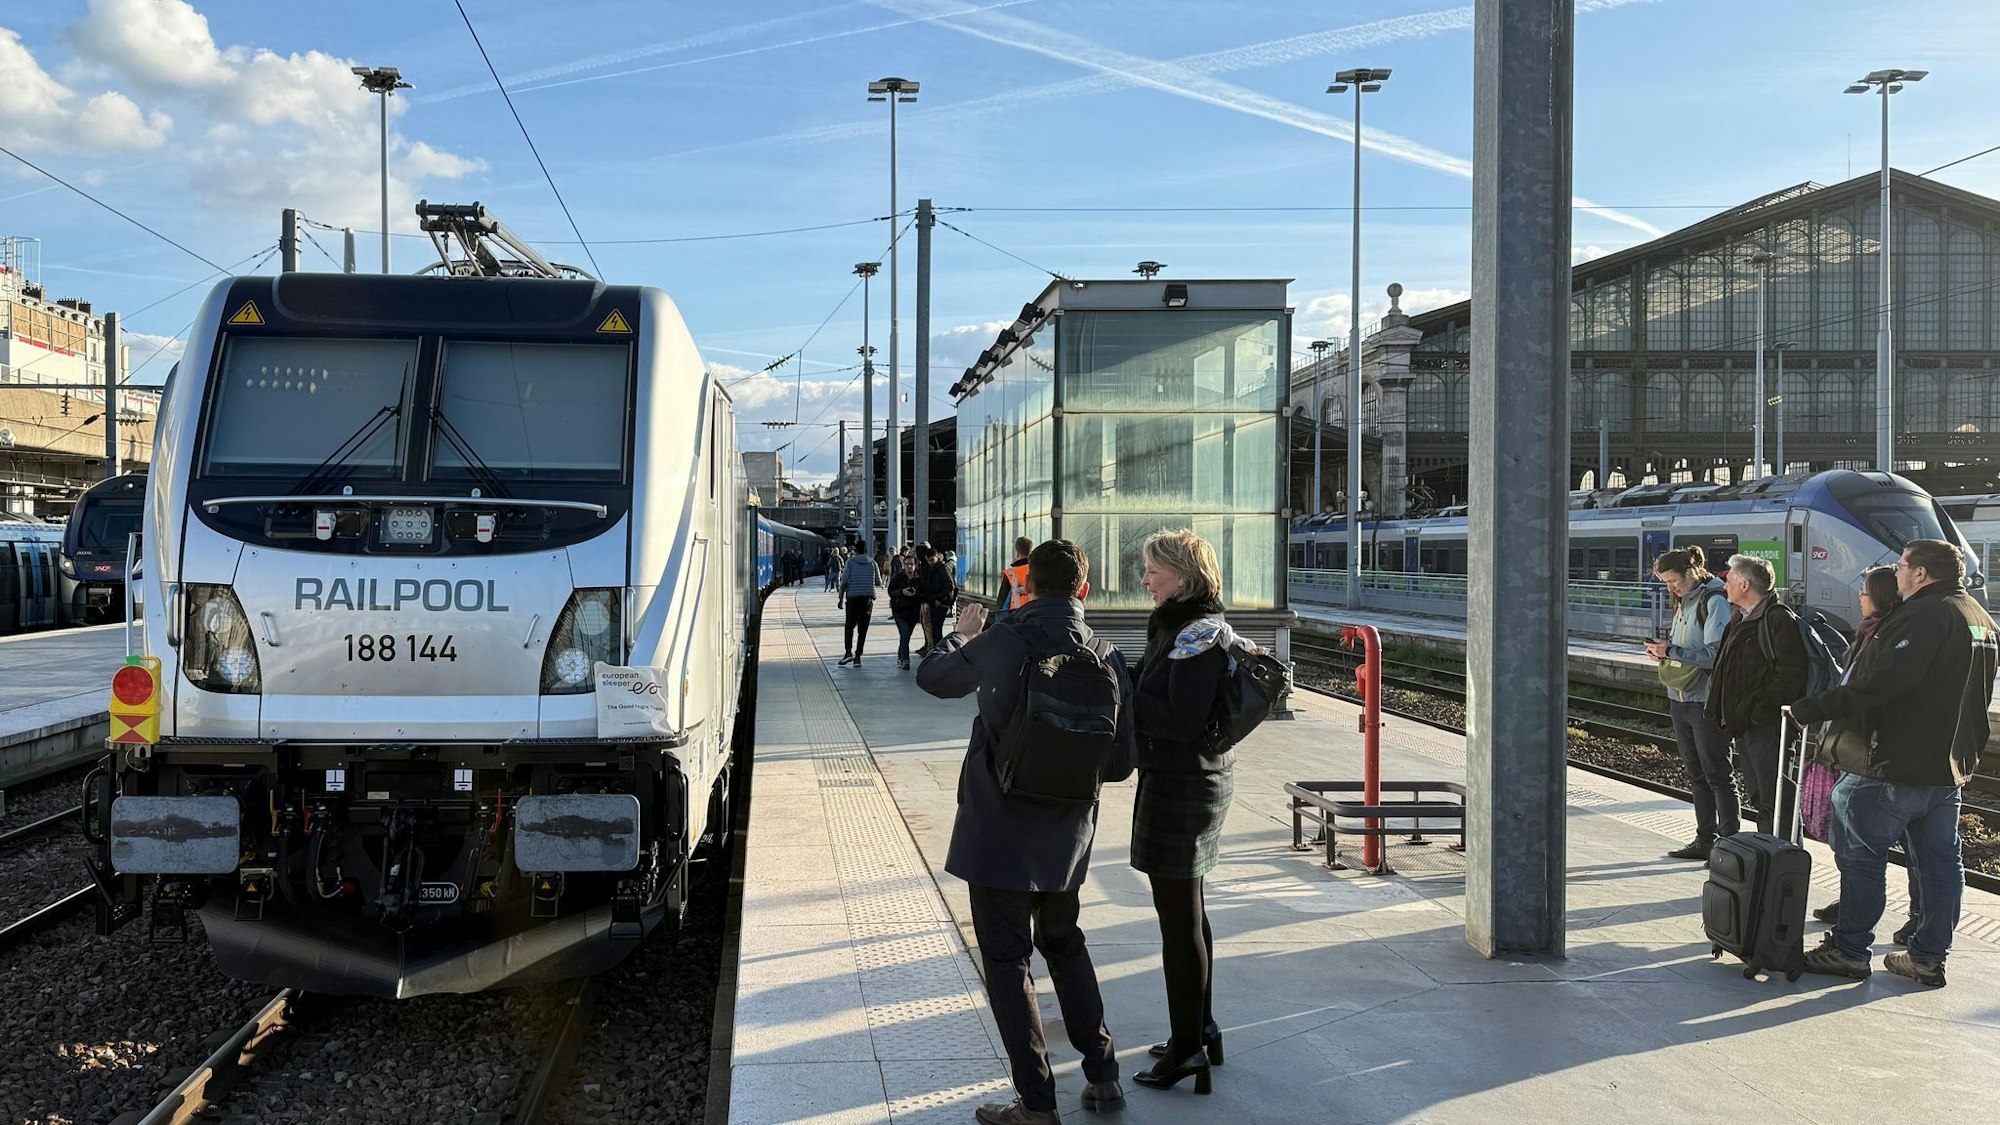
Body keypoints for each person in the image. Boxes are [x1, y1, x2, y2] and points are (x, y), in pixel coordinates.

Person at [916, 540, 1135, 1125]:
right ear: (1084, 591)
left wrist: (960, 633)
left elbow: (934, 677)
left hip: (998, 831)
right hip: (1067, 835)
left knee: (1009, 963)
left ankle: (1037, 1105)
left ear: (1027, 583)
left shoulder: (1008, 636)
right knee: (1065, 943)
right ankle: (1104, 1075)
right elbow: (1120, 762)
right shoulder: (1107, 653)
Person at [1794, 540, 1998, 987]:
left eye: (1903, 565)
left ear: (1921, 573)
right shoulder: (1979, 618)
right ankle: (1927, 957)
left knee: (1861, 856)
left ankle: (1849, 949)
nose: (1898, 572)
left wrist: (1812, 707)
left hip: (1894, 762)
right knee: (1941, 864)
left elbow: (1882, 683)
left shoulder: (1925, 615)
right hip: (1947, 767)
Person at [1129, 528, 1240, 1097]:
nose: (1145, 580)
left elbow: (1180, 719)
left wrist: (1123, 692)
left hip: (1185, 783)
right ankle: (1201, 1028)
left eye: (1152, 570)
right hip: (1180, 778)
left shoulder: (1198, 634)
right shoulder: (1181, 625)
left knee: (1178, 919)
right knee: (1188, 911)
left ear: (1181, 574)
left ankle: (1186, 1048)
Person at [1811, 566, 1923, 942]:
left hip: (1881, 756)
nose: (1858, 597)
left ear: (1879, 595)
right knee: (1846, 840)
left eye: (1863, 591)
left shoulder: (1893, 635)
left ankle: (1911, 919)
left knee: (1901, 845)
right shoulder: (1866, 635)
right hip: (1855, 750)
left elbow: (1870, 691)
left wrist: (1816, 708)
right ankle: (1850, 906)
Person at [1705, 554, 1808, 835]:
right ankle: (1768, 864)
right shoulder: (1739, 619)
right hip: (1747, 726)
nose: (1724, 584)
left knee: (1777, 802)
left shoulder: (1777, 620)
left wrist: (1757, 712)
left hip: (1767, 728)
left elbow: (1790, 677)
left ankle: (1783, 866)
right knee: (1762, 800)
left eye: (1729, 579)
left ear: (1745, 584)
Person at [1646, 546, 1736, 860]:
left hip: (1705, 701)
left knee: (1717, 773)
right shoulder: (1685, 600)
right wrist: (1664, 650)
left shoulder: (1715, 601)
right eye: (1666, 583)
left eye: (1673, 581)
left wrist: (1671, 652)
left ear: (1691, 571)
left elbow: (1715, 654)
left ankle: (1729, 844)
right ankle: (1704, 839)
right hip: (1680, 698)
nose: (1671, 588)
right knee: (1696, 773)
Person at [838, 540, 882, 666]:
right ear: (866, 550)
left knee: (849, 626)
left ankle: (848, 653)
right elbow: (878, 582)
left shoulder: (851, 562)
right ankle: (858, 657)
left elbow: (844, 581)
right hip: (867, 599)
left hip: (852, 598)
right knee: (863, 629)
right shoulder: (872, 563)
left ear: (855, 550)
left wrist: (841, 598)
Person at [918, 542, 958, 654]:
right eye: (928, 560)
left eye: (932, 560)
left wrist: (940, 599)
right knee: (934, 627)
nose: (930, 563)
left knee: (936, 627)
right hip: (935, 601)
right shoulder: (933, 569)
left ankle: (939, 650)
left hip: (941, 603)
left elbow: (950, 586)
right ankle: (936, 649)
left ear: (937, 557)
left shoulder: (942, 568)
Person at [888, 549, 923, 670]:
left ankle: (900, 655)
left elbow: (924, 592)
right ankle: (905, 660)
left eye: (911, 564)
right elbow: (890, 592)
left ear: (915, 565)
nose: (909, 566)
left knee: (906, 637)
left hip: (913, 611)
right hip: (900, 611)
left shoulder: (919, 578)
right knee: (905, 634)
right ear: (904, 565)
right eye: (907, 564)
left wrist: (916, 593)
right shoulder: (898, 577)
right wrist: (902, 592)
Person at [996, 536, 1035, 618]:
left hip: (1015, 616)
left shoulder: (1011, 573)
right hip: (1034, 613)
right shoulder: (1037, 569)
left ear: (1017, 553)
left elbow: (1001, 601)